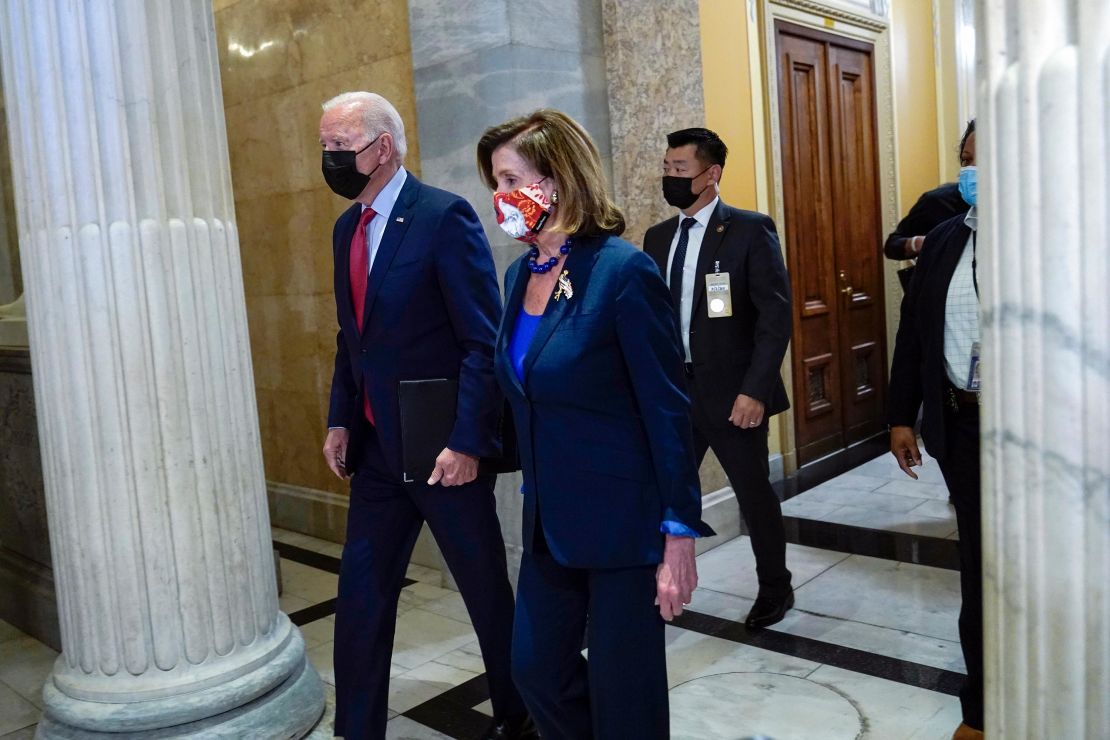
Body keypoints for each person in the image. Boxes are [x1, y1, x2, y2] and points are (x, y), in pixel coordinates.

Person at [477, 109, 714, 739]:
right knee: (535, 670)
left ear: (555, 180)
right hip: (549, 523)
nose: (499, 198)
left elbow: (667, 409)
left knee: (625, 692)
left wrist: (679, 532)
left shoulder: (620, 272)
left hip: (622, 524)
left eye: (508, 180)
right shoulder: (516, 276)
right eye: (494, 184)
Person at [318, 91, 535, 740]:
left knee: (486, 595)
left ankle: (518, 715)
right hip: (378, 455)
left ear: (380, 148)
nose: (328, 158)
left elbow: (481, 341)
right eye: (324, 146)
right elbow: (349, 338)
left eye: (339, 146)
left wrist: (468, 441)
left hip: (446, 456)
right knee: (361, 600)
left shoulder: (443, 218)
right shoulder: (344, 229)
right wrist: (339, 419)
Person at [643, 128, 794, 629]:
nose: (670, 177)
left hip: (733, 397)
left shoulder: (749, 230)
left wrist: (754, 390)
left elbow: (775, 319)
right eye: (666, 167)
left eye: (680, 169)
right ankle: (659, 583)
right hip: (674, 394)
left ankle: (776, 587)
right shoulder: (659, 237)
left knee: (753, 494)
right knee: (663, 493)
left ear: (712, 175)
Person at [887, 119, 982, 740]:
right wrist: (901, 414)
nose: (972, 171)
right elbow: (914, 331)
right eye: (966, 159)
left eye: (986, 159)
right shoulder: (946, 237)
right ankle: (979, 709)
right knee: (978, 570)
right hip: (962, 424)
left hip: (1051, 436)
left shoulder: (1071, 235)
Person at [884, 123, 975, 288]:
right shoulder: (936, 201)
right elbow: (892, 246)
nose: (972, 168)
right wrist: (920, 243)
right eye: (966, 160)